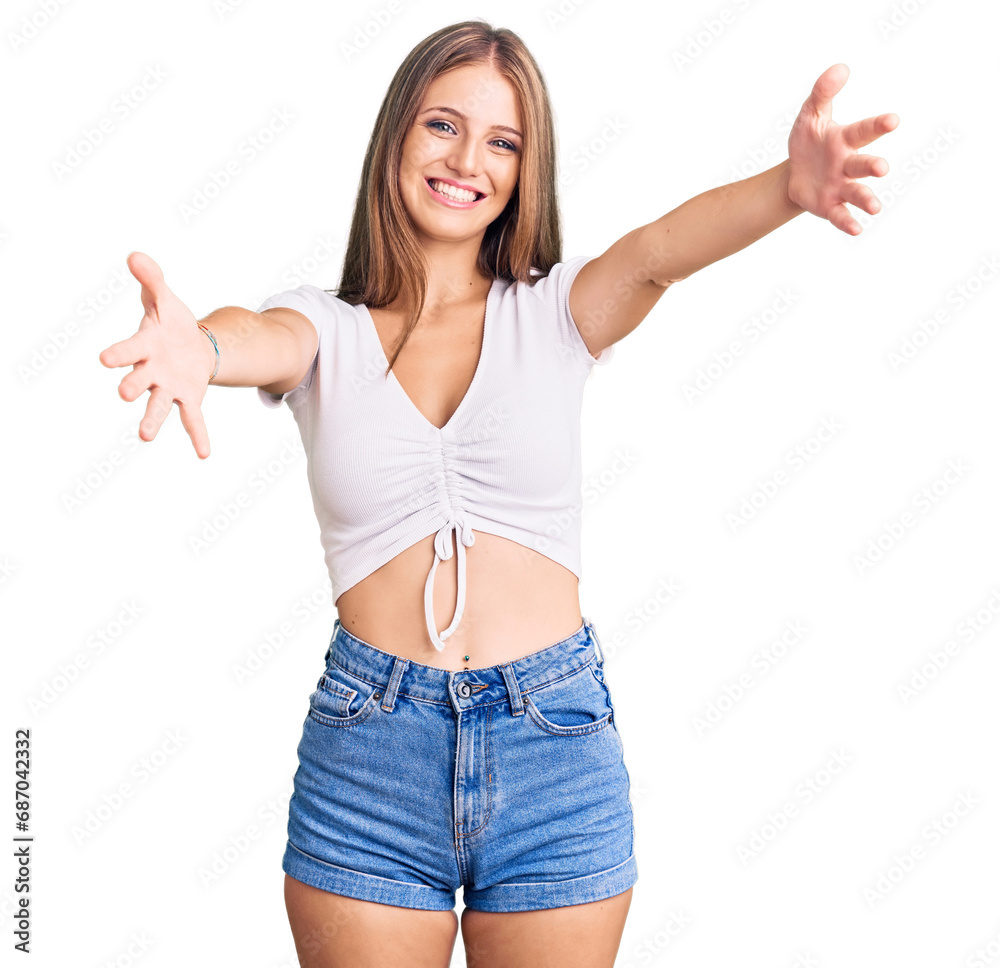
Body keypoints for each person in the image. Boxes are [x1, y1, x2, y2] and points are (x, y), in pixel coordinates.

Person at [98, 19, 898, 968]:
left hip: (551, 741)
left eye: (503, 141)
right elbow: (258, 336)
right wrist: (205, 350)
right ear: (397, 133)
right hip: (371, 756)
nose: (467, 159)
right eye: (443, 125)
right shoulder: (327, 329)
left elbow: (656, 251)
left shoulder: (558, 314)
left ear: (527, 168)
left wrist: (787, 190)